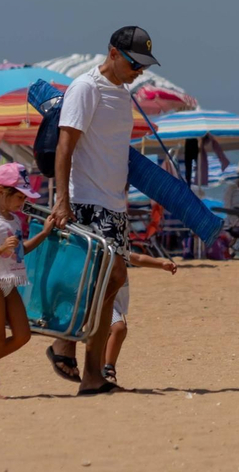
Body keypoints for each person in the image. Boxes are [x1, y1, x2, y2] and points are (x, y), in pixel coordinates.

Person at [47, 26, 164, 395]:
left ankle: (71, 352)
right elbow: (65, 147)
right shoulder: (85, 88)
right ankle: (85, 367)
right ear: (113, 53)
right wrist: (62, 199)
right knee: (107, 281)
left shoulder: (121, 93)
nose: (139, 71)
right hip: (86, 202)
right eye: (134, 63)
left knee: (106, 287)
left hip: (114, 205)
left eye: (144, 65)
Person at [0, 164, 54, 399]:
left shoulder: (15, 220)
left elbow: (20, 251)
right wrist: (0, 250)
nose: (23, 202)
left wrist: (44, 234)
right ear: (1, 191)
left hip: (8, 282)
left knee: (23, 335)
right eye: (19, 196)